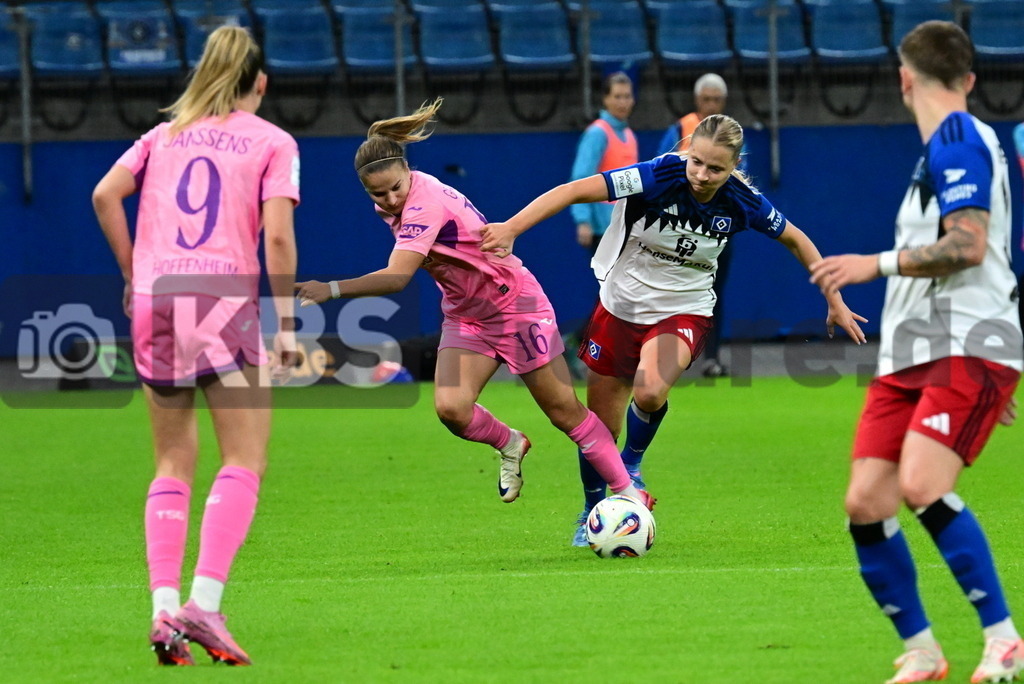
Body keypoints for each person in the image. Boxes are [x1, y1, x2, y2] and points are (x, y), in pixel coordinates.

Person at [480, 113, 867, 546]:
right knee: (599, 430)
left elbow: (796, 238)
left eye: (716, 168)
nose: (702, 175)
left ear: (734, 166)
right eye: (696, 162)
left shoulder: (743, 201)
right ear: (687, 151)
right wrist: (512, 228)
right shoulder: (655, 176)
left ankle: (631, 465)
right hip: (620, 308)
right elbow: (574, 190)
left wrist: (834, 299)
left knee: (649, 392)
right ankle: (591, 512)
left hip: (684, 310)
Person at [294, 99, 653, 519]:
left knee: (564, 413)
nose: (390, 199)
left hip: (514, 305)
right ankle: (510, 442)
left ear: (408, 171)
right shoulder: (396, 199)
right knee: (451, 408)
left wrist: (331, 289)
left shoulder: (423, 203)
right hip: (467, 314)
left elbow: (397, 277)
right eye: (378, 193)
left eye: (395, 188)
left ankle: (627, 491)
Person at [810, 21, 1023, 684]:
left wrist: (872, 263)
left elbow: (969, 245)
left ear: (904, 79)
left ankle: (1005, 641)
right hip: (917, 352)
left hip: (966, 341)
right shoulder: (942, 149)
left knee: (923, 485)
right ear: (970, 78)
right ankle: (924, 652)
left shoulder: (957, 138)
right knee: (866, 502)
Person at [93, 26, 300, 666]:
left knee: (171, 462)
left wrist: (133, 273)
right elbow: (278, 239)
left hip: (156, 297)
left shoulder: (163, 135)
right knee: (244, 458)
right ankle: (204, 605)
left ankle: (163, 610)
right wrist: (286, 322)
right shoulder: (272, 142)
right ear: (260, 82)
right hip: (221, 298)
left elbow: (104, 194)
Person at [658, 73, 734, 378]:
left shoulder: (731, 135)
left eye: (717, 100)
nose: (711, 105)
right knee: (667, 290)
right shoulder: (680, 130)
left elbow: (742, 179)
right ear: (697, 100)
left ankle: (711, 358)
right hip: (679, 227)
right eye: (707, 99)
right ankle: (660, 355)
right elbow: (661, 169)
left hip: (717, 230)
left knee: (714, 293)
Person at [570, 71, 638, 255]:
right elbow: (581, 177)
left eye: (627, 96)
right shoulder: (597, 133)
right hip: (602, 228)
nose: (623, 102)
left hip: (626, 225)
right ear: (606, 99)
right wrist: (583, 220)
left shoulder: (630, 135)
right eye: (617, 96)